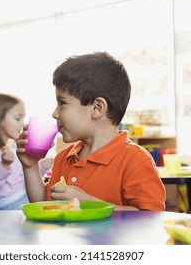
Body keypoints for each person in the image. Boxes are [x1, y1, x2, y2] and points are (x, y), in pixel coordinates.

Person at [16, 52, 166, 211]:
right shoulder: (64, 158)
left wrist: (88, 203)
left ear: (97, 108)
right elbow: (44, 204)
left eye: (62, 103)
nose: (55, 113)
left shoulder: (135, 160)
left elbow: (152, 216)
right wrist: (31, 166)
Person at [0, 93, 52, 210]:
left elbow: (23, 176)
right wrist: (4, 164)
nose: (23, 124)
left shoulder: (14, 145)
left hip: (23, 195)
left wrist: (41, 167)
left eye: (23, 118)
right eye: (18, 118)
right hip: (7, 204)